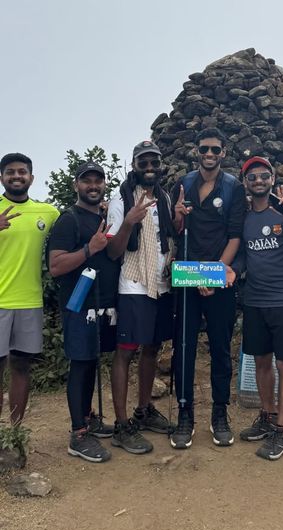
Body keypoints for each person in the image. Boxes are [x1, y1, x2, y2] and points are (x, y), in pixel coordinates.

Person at [232, 157, 283, 460]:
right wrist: (232, 271)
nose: (258, 181)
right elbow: (242, 256)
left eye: (263, 176)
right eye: (252, 176)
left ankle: (282, 430)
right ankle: (266, 418)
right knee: (261, 362)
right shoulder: (243, 217)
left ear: (272, 179)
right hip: (254, 299)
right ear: (245, 183)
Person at [170, 127, 247, 449]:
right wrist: (177, 215)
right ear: (196, 151)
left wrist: (212, 276)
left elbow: (235, 236)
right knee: (183, 347)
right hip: (186, 276)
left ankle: (220, 413)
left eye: (215, 149)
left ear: (224, 152)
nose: (209, 154)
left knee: (219, 348)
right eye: (204, 149)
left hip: (218, 277)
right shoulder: (184, 184)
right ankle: (185, 413)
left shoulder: (233, 188)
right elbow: (175, 231)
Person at [107, 141, 175, 454]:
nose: (149, 167)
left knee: (152, 347)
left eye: (154, 162)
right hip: (134, 283)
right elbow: (113, 251)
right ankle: (122, 425)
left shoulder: (165, 197)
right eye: (143, 162)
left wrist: (181, 219)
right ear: (134, 165)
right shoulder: (121, 199)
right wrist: (129, 222)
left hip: (161, 283)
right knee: (125, 352)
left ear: (160, 165)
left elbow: (168, 238)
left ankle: (144, 410)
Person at [49, 162, 120, 463]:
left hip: (103, 302)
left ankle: (88, 417)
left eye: (98, 181)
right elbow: (55, 266)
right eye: (86, 181)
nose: (93, 186)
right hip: (78, 303)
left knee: (91, 360)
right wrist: (89, 249)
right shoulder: (69, 220)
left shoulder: (105, 217)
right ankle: (78, 434)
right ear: (76, 185)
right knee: (80, 363)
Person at [0, 153, 59, 426]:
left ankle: (14, 433)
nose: (16, 176)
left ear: (31, 178)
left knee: (21, 367)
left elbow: (75, 224)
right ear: (2, 177)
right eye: (10, 172)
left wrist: (104, 209)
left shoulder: (47, 213)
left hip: (29, 302)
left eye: (21, 172)